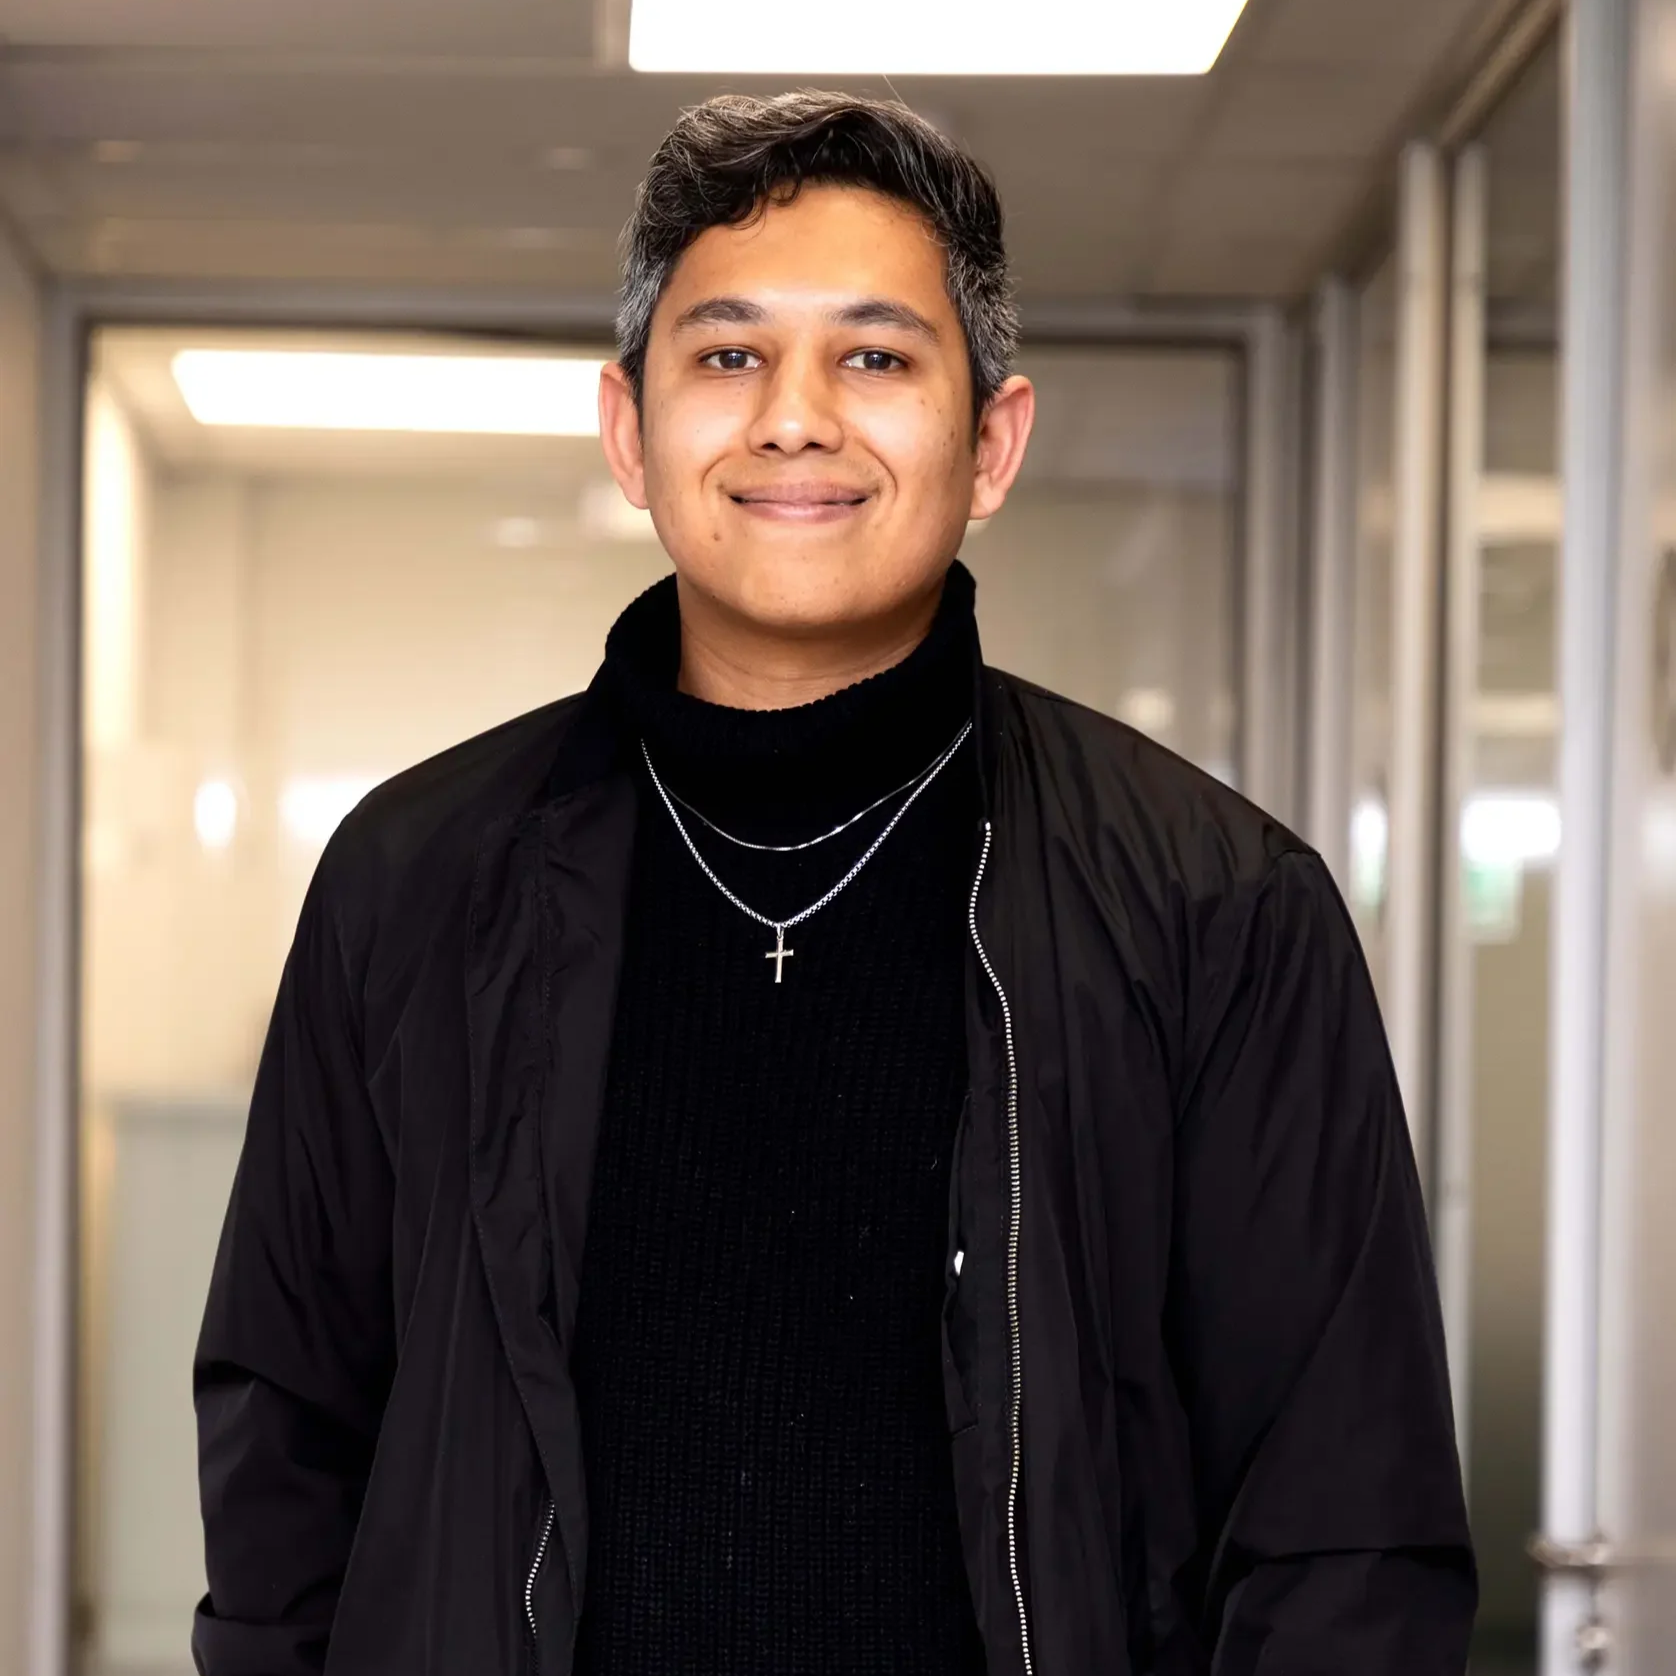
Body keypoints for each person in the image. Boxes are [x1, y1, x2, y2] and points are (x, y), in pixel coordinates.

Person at [192, 91, 1475, 1676]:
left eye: (875, 356)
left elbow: (1345, 1524)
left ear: (991, 440)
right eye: (728, 355)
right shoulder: (416, 881)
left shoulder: (1219, 908)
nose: (796, 417)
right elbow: (286, 1447)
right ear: (629, 431)